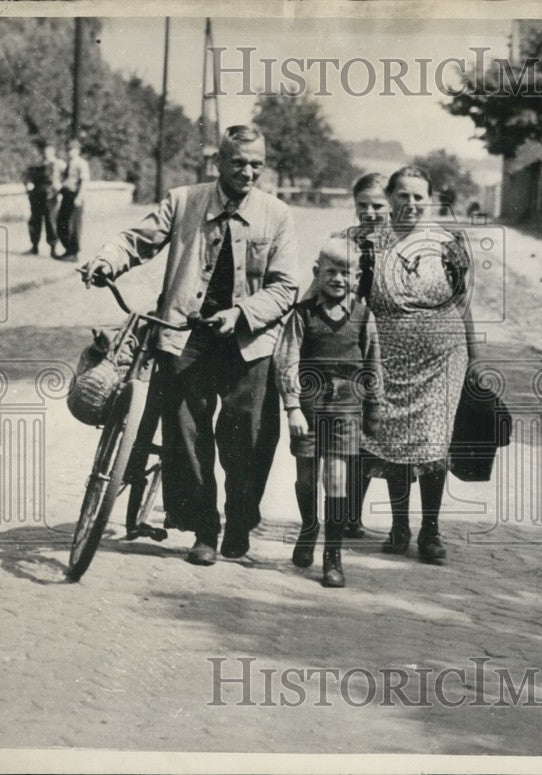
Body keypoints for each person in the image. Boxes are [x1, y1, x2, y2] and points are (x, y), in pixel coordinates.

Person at [81, 125, 298, 566]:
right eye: (238, 162)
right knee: (184, 434)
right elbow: (135, 241)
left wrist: (241, 314)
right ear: (218, 162)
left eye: (257, 163)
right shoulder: (183, 201)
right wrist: (107, 260)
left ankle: (239, 522)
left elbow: (286, 285)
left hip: (247, 340)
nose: (248, 171)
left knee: (250, 438)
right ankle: (204, 529)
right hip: (184, 334)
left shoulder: (277, 215)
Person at [360, 165, 480, 564]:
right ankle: (399, 527)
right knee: (394, 442)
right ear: (390, 197)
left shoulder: (448, 243)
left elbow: (463, 304)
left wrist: (476, 359)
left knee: (432, 444)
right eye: (403, 196)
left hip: (443, 360)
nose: (410, 204)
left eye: (418, 197)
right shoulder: (370, 245)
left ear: (429, 201)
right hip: (390, 361)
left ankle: (430, 530)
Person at [274, 238, 383, 587]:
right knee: (307, 479)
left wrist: (374, 408)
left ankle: (332, 555)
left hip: (345, 410)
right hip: (307, 408)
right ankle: (309, 528)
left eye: (346, 272)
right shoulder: (303, 314)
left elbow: (373, 364)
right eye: (331, 271)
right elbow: (287, 359)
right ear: (317, 273)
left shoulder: (364, 317)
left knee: (335, 478)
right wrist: (292, 407)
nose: (338, 278)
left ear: (357, 277)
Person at [22, 139, 65, 256]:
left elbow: (68, 176)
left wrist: (60, 186)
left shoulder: (59, 164)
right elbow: (26, 175)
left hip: (50, 195)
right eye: (45, 151)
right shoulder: (37, 163)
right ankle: (34, 246)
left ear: (53, 151)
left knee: (51, 222)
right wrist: (28, 184)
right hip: (36, 195)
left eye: (49, 151)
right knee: (35, 220)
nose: (47, 153)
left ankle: (53, 249)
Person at [55, 138, 90, 262]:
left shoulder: (81, 163)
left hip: (75, 196)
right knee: (62, 223)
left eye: (72, 149)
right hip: (67, 195)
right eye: (68, 149)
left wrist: (79, 198)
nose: (70, 152)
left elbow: (85, 182)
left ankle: (73, 253)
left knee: (74, 225)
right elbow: (65, 179)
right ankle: (67, 249)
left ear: (78, 150)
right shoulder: (68, 163)